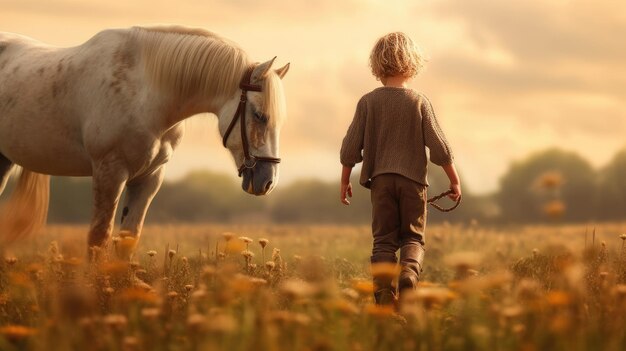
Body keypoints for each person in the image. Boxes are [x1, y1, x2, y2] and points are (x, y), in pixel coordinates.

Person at [339, 32, 461, 305]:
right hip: (414, 183)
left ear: (377, 65)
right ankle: (408, 274)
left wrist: (345, 180)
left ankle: (383, 294)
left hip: (380, 182)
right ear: (412, 64)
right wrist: (454, 181)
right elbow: (439, 147)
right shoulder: (419, 101)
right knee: (413, 239)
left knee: (383, 240)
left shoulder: (367, 102)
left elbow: (349, 148)